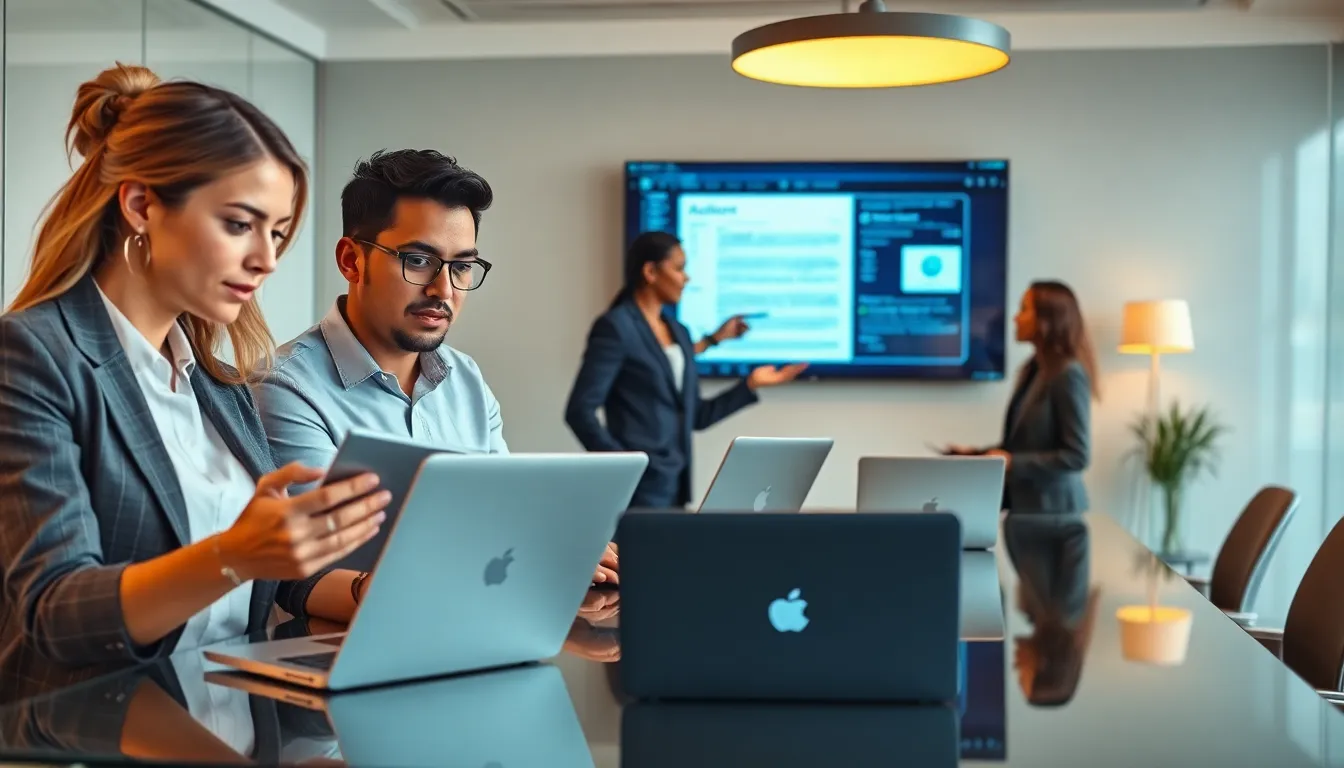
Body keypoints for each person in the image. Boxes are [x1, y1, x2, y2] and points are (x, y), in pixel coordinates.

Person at [0, 64, 389, 702]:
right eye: (240, 224)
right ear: (141, 205)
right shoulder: (33, 356)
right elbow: (57, 612)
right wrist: (236, 553)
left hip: (231, 727)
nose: (265, 258)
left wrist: (363, 587)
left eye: (278, 232)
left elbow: (269, 581)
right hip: (88, 729)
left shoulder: (217, 384)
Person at [252, 149, 618, 582]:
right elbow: (322, 563)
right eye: (418, 261)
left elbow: (503, 524)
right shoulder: (284, 387)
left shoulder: (466, 380)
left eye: (462, 266)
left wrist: (556, 551)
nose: (443, 289)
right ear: (352, 261)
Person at [565, 231, 806, 509]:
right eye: (679, 269)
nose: (686, 278)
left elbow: (697, 415)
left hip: (676, 487)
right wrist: (623, 466)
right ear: (651, 271)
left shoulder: (678, 331)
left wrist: (750, 385)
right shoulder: (616, 327)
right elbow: (579, 411)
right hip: (635, 490)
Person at [944, 280, 1100, 514]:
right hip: (1024, 511)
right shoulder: (1034, 369)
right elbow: (1023, 445)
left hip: (1056, 517)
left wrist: (1012, 462)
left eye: (1024, 309)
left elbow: (1076, 456)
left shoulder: (1068, 374)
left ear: (1048, 320)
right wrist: (979, 454)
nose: (1016, 318)